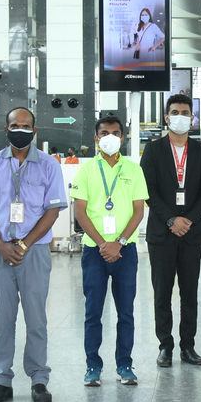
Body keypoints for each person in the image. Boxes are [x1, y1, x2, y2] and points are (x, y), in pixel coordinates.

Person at [0, 106, 66, 402]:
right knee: (2, 320)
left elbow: (52, 211)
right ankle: (2, 380)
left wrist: (24, 245)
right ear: (6, 130)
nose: (20, 130)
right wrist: (0, 244)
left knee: (36, 318)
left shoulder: (49, 165)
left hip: (34, 252)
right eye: (15, 126)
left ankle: (39, 378)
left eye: (26, 126)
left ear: (34, 130)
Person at [72, 114, 147, 384]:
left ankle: (125, 365)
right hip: (95, 251)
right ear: (96, 138)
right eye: (104, 133)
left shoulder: (134, 170)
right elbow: (80, 212)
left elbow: (138, 212)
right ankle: (93, 366)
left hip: (125, 251)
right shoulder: (86, 170)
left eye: (115, 133)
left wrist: (120, 242)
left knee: (125, 311)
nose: (110, 138)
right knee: (93, 312)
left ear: (123, 138)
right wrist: (104, 244)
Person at [143, 94, 201, 368]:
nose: (180, 117)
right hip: (162, 233)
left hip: (191, 234)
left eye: (185, 113)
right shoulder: (153, 150)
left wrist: (189, 220)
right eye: (175, 112)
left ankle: (188, 346)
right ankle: (165, 346)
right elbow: (148, 191)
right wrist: (172, 220)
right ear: (166, 117)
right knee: (162, 293)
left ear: (192, 119)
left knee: (189, 293)